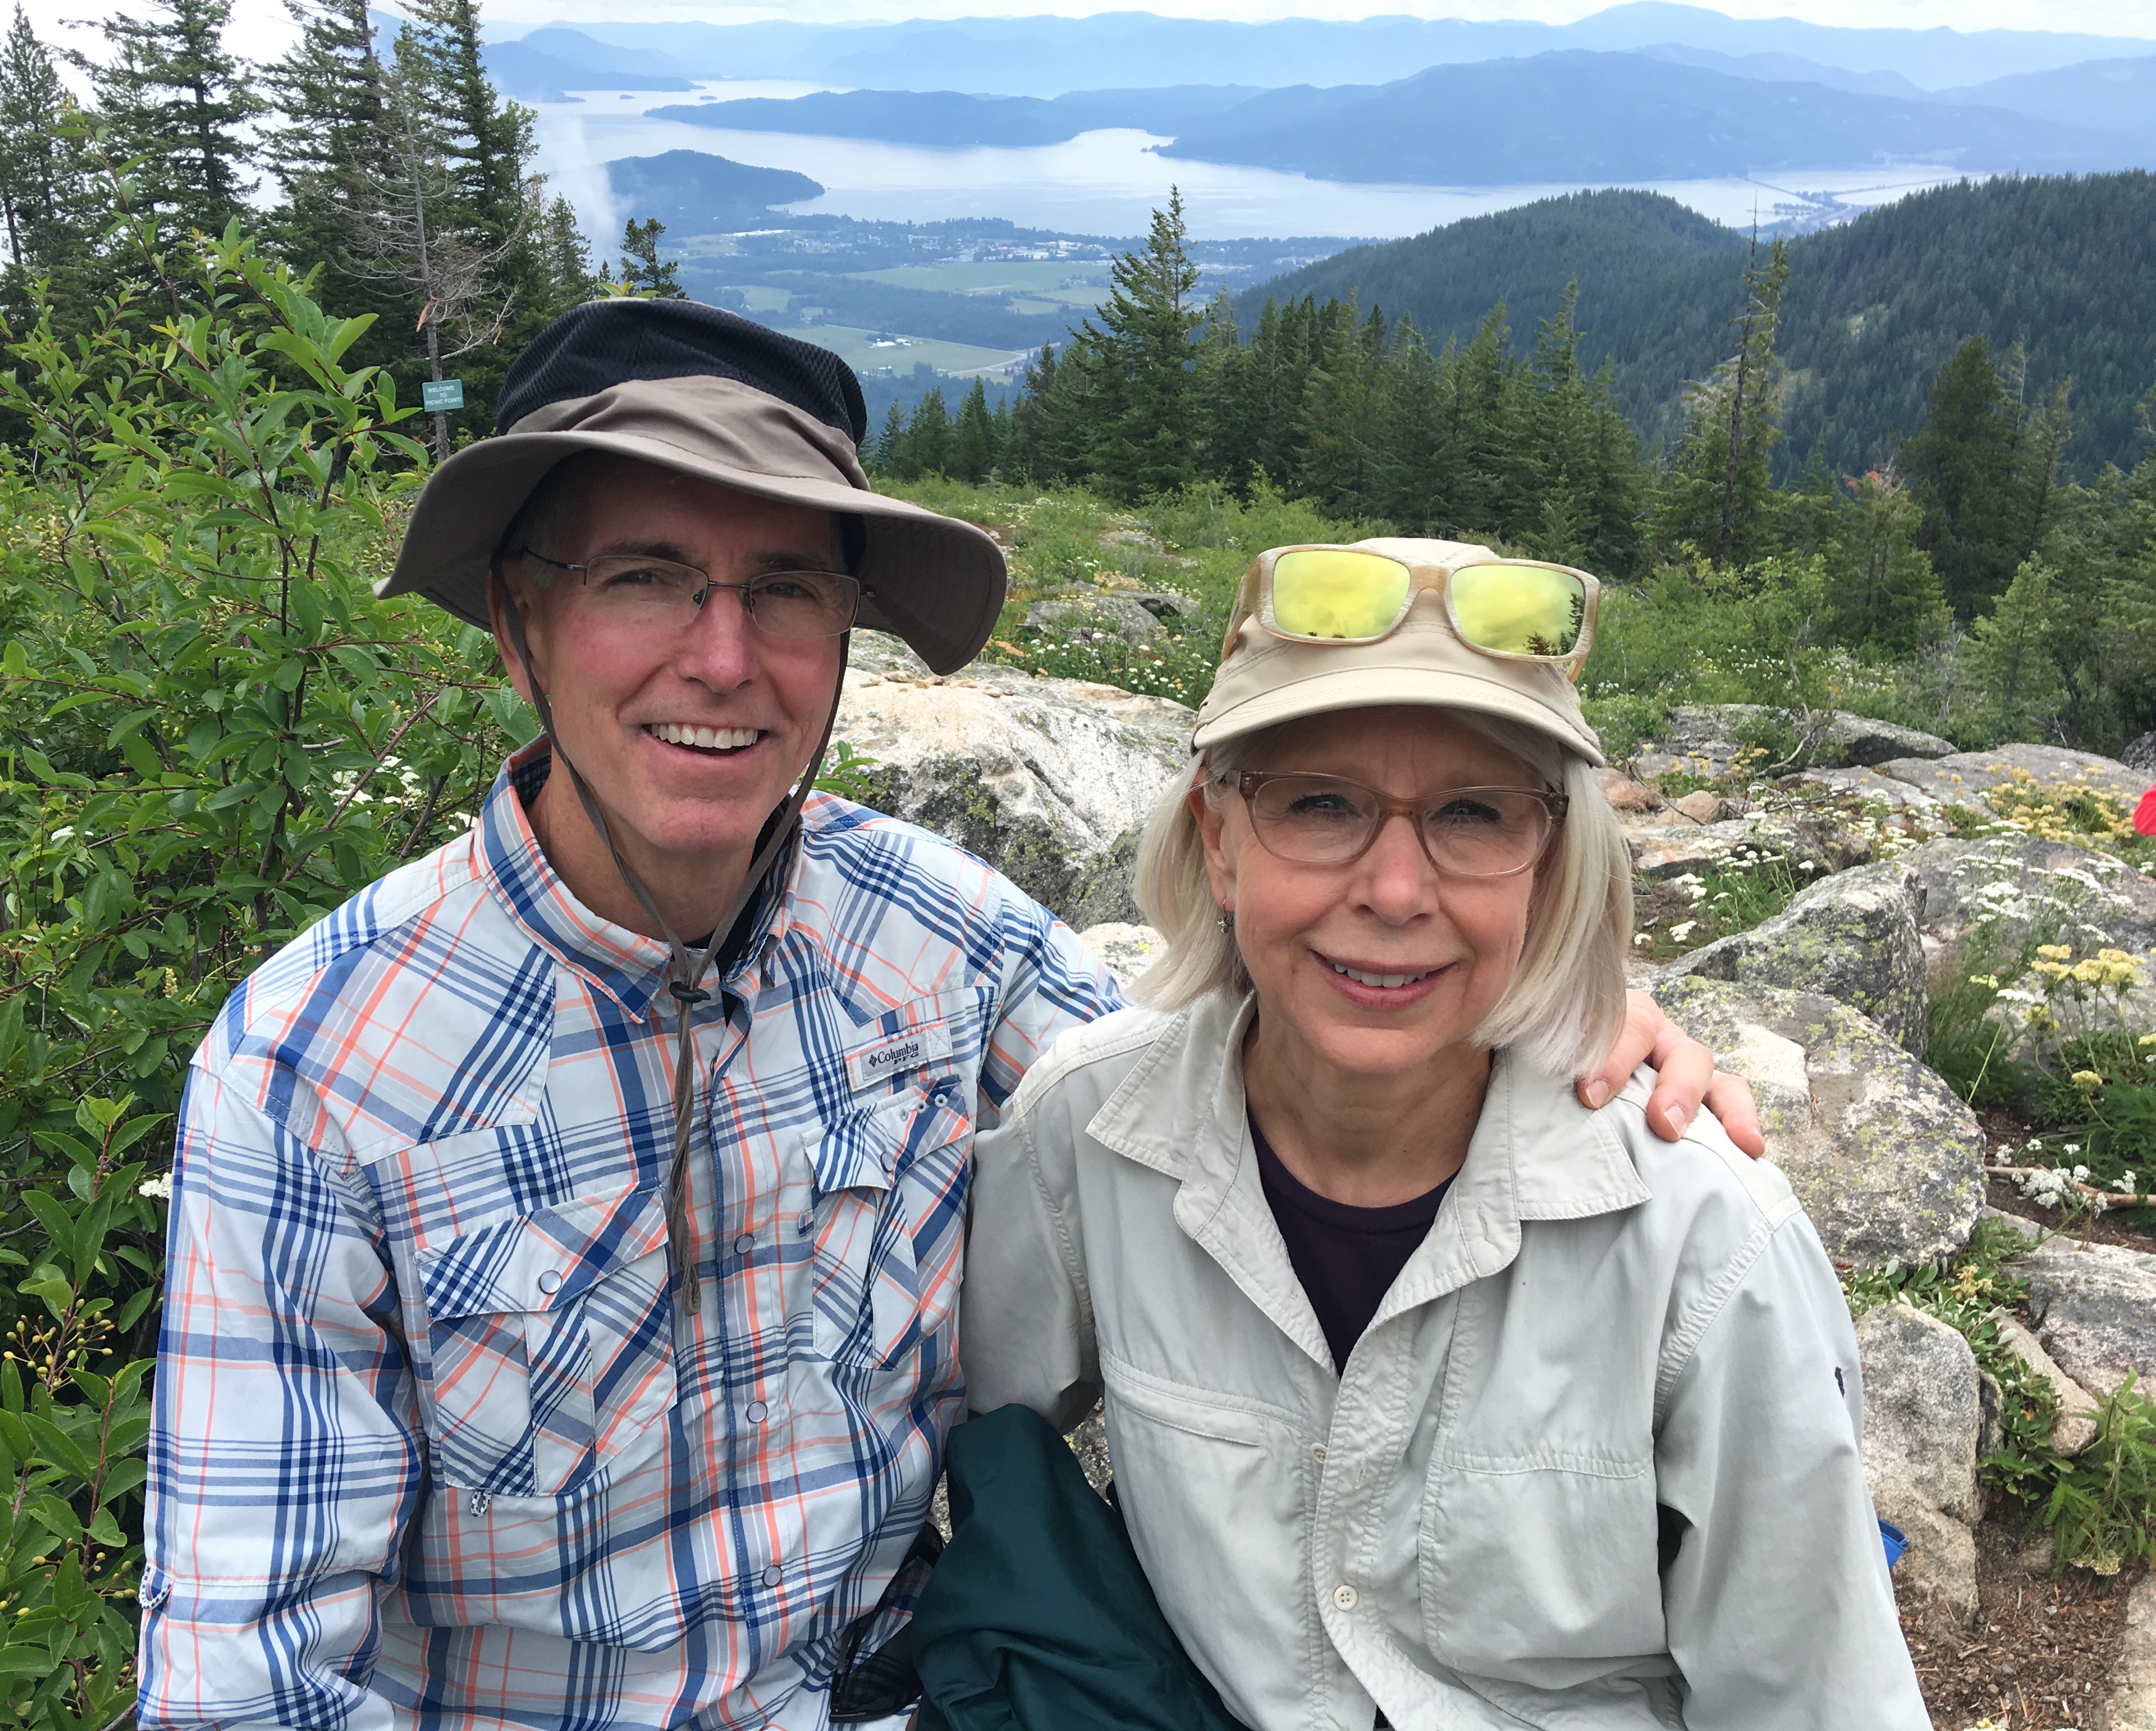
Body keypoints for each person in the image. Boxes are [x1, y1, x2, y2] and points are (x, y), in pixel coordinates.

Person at [139, 305, 1760, 1731]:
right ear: (518, 625)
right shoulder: (318, 1076)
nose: (725, 657)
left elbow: (1236, 1063)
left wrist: (1549, 993)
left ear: (844, 639)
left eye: (786, 592)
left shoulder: (934, 933)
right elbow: (244, 1680)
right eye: (645, 578)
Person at [957, 539, 1927, 1729]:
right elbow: (939, 1431)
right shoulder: (1090, 1137)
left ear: (1550, 863)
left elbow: (1816, 1700)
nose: (1399, 891)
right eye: (1322, 804)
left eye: (1475, 814)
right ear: (1218, 840)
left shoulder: (1705, 1242)